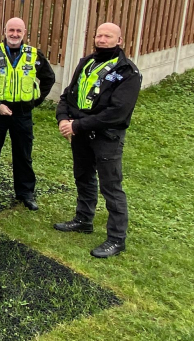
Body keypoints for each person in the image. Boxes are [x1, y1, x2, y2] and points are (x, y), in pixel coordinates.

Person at [54, 23, 141, 258]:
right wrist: (63, 118)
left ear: (119, 40)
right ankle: (84, 219)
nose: (102, 39)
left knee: (111, 188)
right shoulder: (87, 63)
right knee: (83, 177)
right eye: (99, 35)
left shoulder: (127, 72)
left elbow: (117, 113)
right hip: (80, 134)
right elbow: (68, 94)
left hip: (106, 137)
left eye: (108, 36)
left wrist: (77, 124)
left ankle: (116, 239)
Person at [0, 17, 55, 210]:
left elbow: (49, 78)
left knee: (23, 154)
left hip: (22, 113)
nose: (14, 34)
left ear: (25, 32)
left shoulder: (34, 55)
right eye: (11, 30)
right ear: (4, 31)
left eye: (19, 31)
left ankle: (25, 193)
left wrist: (34, 101)